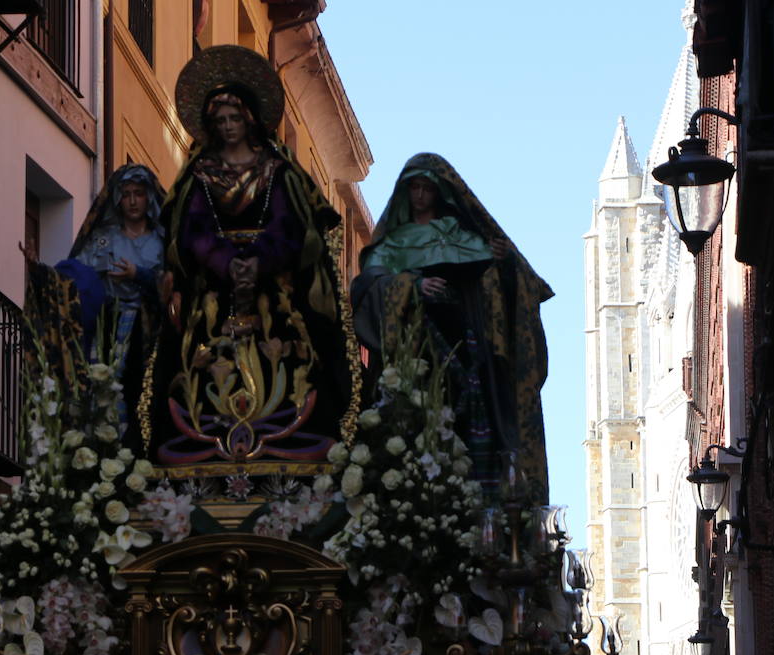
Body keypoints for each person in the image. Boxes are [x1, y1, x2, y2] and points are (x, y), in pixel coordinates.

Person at [142, 44, 361, 467]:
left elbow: (290, 224)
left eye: (233, 119)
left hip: (274, 286)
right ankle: (203, 437)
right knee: (202, 359)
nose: (226, 128)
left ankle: (290, 434)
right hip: (213, 288)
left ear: (249, 120)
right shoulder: (199, 174)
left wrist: (258, 261)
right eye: (218, 121)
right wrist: (226, 263)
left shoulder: (277, 170)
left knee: (288, 351)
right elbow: (191, 229)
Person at [353, 153, 553, 494]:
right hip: (410, 352)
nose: (419, 196)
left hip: (461, 345)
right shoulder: (391, 244)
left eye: (426, 189)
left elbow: (502, 290)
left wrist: (502, 265)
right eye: (413, 188)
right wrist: (412, 286)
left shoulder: (461, 236)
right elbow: (366, 288)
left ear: (439, 194)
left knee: (471, 419)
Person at [65, 163, 168, 425]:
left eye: (139, 193)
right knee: (99, 388)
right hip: (105, 323)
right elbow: (75, 274)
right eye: (126, 194)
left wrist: (139, 275)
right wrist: (42, 271)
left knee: (134, 391)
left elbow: (176, 284)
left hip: (145, 329)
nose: (132, 201)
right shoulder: (102, 238)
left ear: (149, 198)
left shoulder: (162, 241)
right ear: (117, 199)